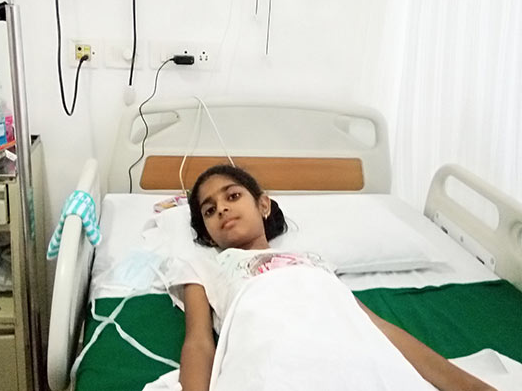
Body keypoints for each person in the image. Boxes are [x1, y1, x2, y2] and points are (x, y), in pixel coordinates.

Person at [178, 164, 495, 391]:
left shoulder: (313, 261)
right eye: (209, 210)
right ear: (206, 234)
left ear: (263, 205)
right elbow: (199, 343)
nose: (222, 209)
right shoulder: (204, 267)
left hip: (348, 351)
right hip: (273, 351)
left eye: (232, 196)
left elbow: (372, 325)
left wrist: (467, 385)